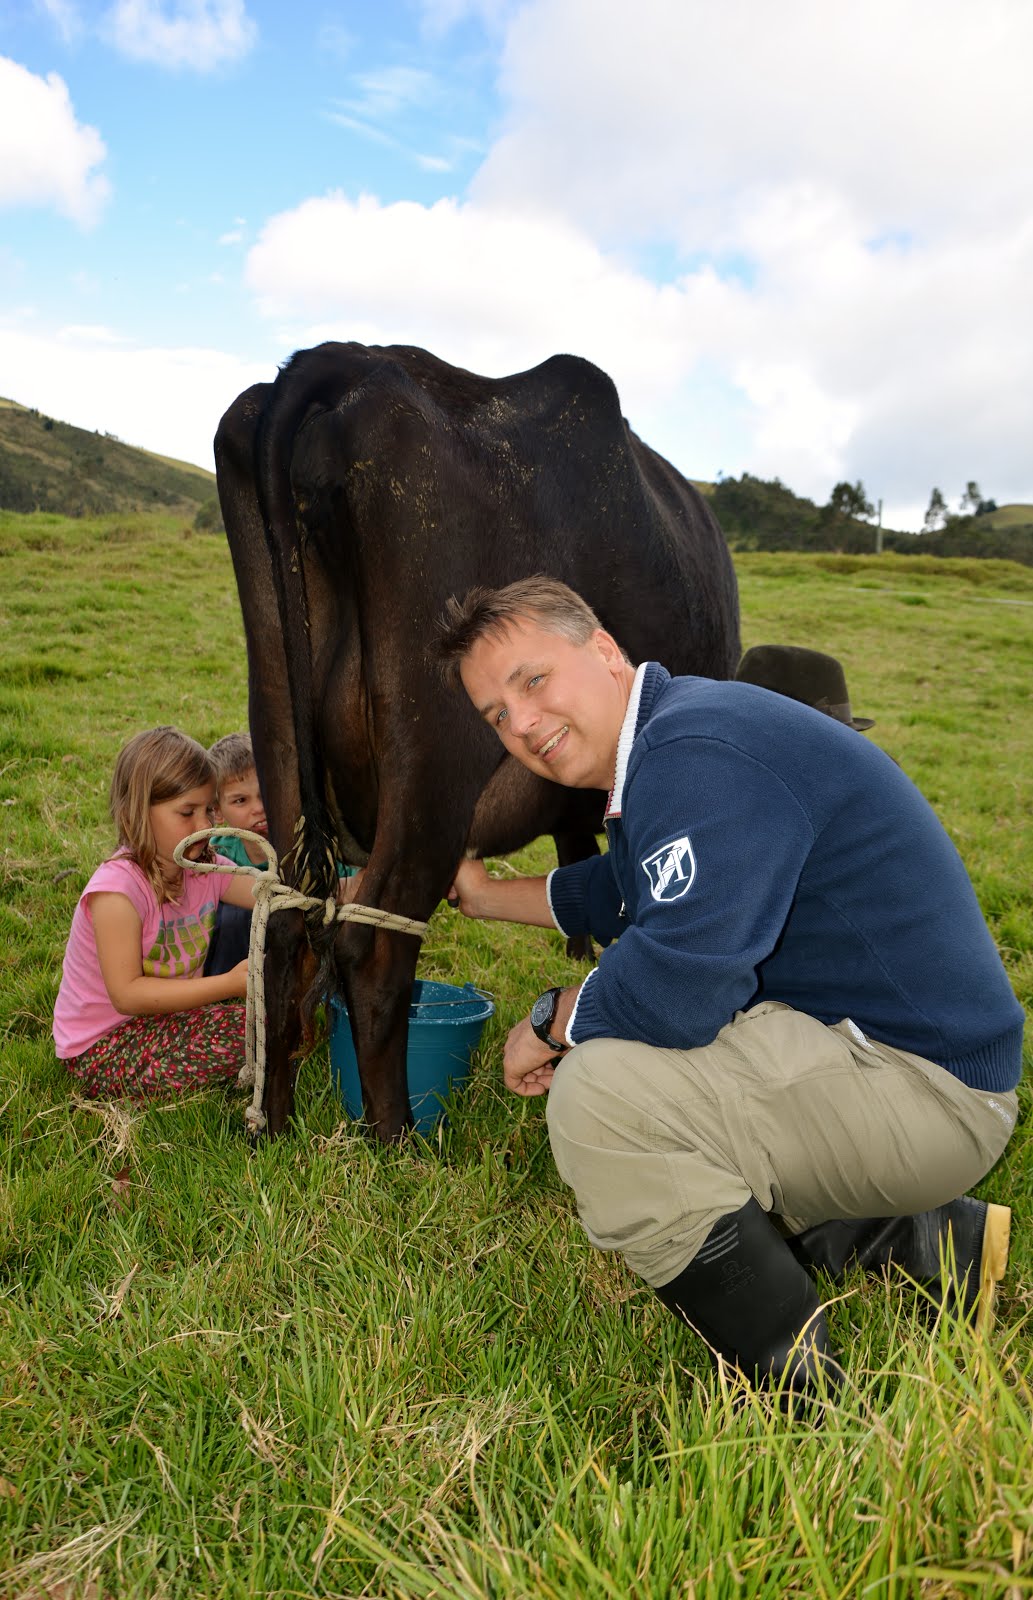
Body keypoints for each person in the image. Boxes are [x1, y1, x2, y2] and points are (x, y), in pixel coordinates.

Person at [435, 577, 1023, 1402]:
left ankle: (801, 1400)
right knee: (639, 1066)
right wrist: (485, 894)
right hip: (891, 1058)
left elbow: (677, 991)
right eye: (494, 713)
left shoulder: (698, 751)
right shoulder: (678, 736)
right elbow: (623, 892)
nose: (520, 723)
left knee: (605, 1097)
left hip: (923, 1087)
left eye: (531, 681)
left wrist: (556, 1019)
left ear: (603, 651)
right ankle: (931, 1244)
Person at [53, 726, 259, 1097]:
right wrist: (228, 984)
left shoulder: (202, 867)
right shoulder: (118, 891)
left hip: (167, 1020)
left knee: (268, 1024)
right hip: (105, 1045)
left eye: (209, 809)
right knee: (252, 1037)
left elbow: (266, 892)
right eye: (187, 812)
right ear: (138, 812)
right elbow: (127, 995)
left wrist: (339, 889)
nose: (204, 826)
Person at [203, 732, 270, 978]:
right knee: (233, 914)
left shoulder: (303, 845)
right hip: (236, 959)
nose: (259, 808)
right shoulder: (215, 853)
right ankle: (223, 988)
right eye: (241, 800)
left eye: (265, 794)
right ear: (217, 812)